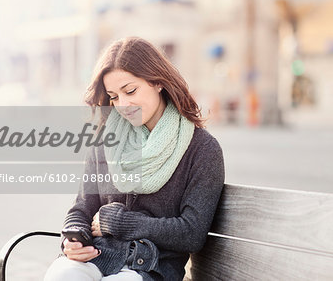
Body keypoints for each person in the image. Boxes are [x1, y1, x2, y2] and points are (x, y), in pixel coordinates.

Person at [44, 37, 225, 281]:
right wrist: (73, 237)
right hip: (96, 257)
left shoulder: (201, 149)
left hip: (150, 268)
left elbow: (191, 233)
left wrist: (121, 222)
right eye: (114, 97)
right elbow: (83, 206)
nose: (123, 105)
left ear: (158, 82)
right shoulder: (105, 139)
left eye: (130, 91)